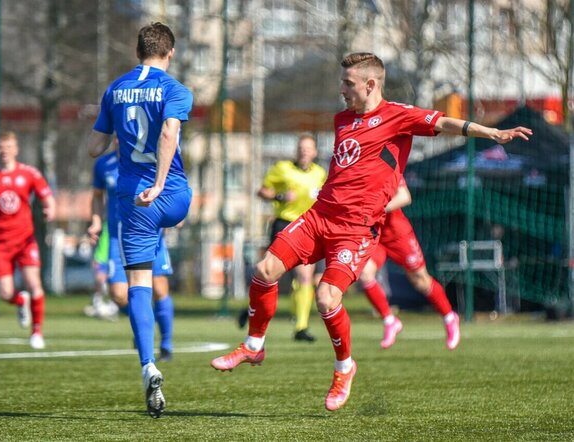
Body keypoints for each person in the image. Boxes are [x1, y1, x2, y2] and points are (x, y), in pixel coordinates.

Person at [211, 52, 532, 412]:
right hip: (320, 216)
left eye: (348, 84)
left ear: (370, 84)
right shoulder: (343, 119)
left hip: (356, 229)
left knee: (326, 299)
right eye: (342, 82)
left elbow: (443, 123)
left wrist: (490, 131)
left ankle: (344, 368)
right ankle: (254, 346)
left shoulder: (398, 116)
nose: (342, 90)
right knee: (264, 270)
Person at [87, 22, 192, 419]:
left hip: (134, 201)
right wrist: (162, 183)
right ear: (171, 52)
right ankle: (162, 348)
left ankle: (148, 363)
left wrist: (110, 131)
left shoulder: (115, 89)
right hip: (173, 197)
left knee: (138, 285)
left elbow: (95, 146)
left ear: (137, 50)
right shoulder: (175, 89)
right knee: (168, 231)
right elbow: (169, 134)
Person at [87, 140, 176, 360]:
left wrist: (172, 214)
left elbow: (168, 185)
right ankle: (143, 322)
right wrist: (96, 221)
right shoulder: (104, 164)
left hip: (150, 230)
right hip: (119, 235)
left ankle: (165, 344)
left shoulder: (148, 160)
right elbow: (97, 197)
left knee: (159, 288)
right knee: (118, 293)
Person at [0, 131, 56, 350]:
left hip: (25, 239)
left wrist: (50, 209)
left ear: (16, 149)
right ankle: (20, 301)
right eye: (1, 147)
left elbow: (47, 196)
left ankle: (37, 332)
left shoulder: (29, 173)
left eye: (8, 147)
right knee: (6, 293)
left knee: (34, 284)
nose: (4, 151)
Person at [358, 177, 460, 350]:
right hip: (375, 233)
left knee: (420, 280)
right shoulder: (355, 166)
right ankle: (390, 320)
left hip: (398, 233)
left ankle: (449, 316)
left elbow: (404, 196)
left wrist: (377, 209)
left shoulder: (387, 163)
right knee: (365, 274)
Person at [254, 133, 327, 342]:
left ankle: (301, 327)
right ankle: (252, 310)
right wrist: (280, 196)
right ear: (297, 150)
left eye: (308, 149)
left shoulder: (320, 174)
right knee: (269, 275)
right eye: (301, 148)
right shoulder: (282, 169)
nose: (304, 152)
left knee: (305, 277)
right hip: (284, 225)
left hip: (307, 228)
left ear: (314, 152)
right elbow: (262, 191)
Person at [84, 223, 119, 321]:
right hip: (101, 255)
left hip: (115, 255)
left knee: (114, 284)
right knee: (100, 280)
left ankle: (113, 307)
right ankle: (97, 304)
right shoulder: (103, 222)